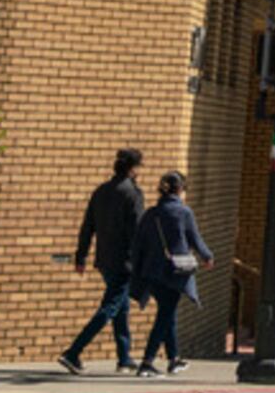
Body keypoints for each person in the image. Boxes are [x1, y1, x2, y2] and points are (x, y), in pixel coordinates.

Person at [61, 148, 149, 375]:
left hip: (104, 260)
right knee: (110, 307)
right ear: (132, 169)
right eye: (139, 167)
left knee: (121, 307)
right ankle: (73, 352)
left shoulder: (101, 191)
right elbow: (138, 232)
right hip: (125, 261)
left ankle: (125, 357)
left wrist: (81, 256)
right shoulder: (133, 194)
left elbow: (87, 226)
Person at [129, 174, 210, 377]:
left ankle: (174, 359)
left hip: (153, 272)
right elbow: (195, 238)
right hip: (175, 272)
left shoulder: (151, 214)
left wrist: (137, 269)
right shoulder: (183, 212)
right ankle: (147, 361)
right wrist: (207, 256)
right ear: (179, 189)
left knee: (168, 313)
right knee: (165, 316)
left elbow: (138, 243)